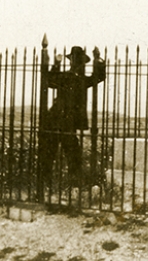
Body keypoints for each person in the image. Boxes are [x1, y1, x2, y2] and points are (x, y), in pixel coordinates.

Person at [40, 45, 106, 188]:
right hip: (56, 120)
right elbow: (49, 81)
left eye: (80, 61)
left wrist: (98, 60)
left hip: (68, 123)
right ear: (71, 62)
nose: (78, 64)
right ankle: (47, 184)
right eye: (76, 61)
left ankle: (71, 184)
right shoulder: (65, 76)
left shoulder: (82, 80)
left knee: (72, 154)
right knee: (52, 152)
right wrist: (56, 65)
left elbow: (99, 77)